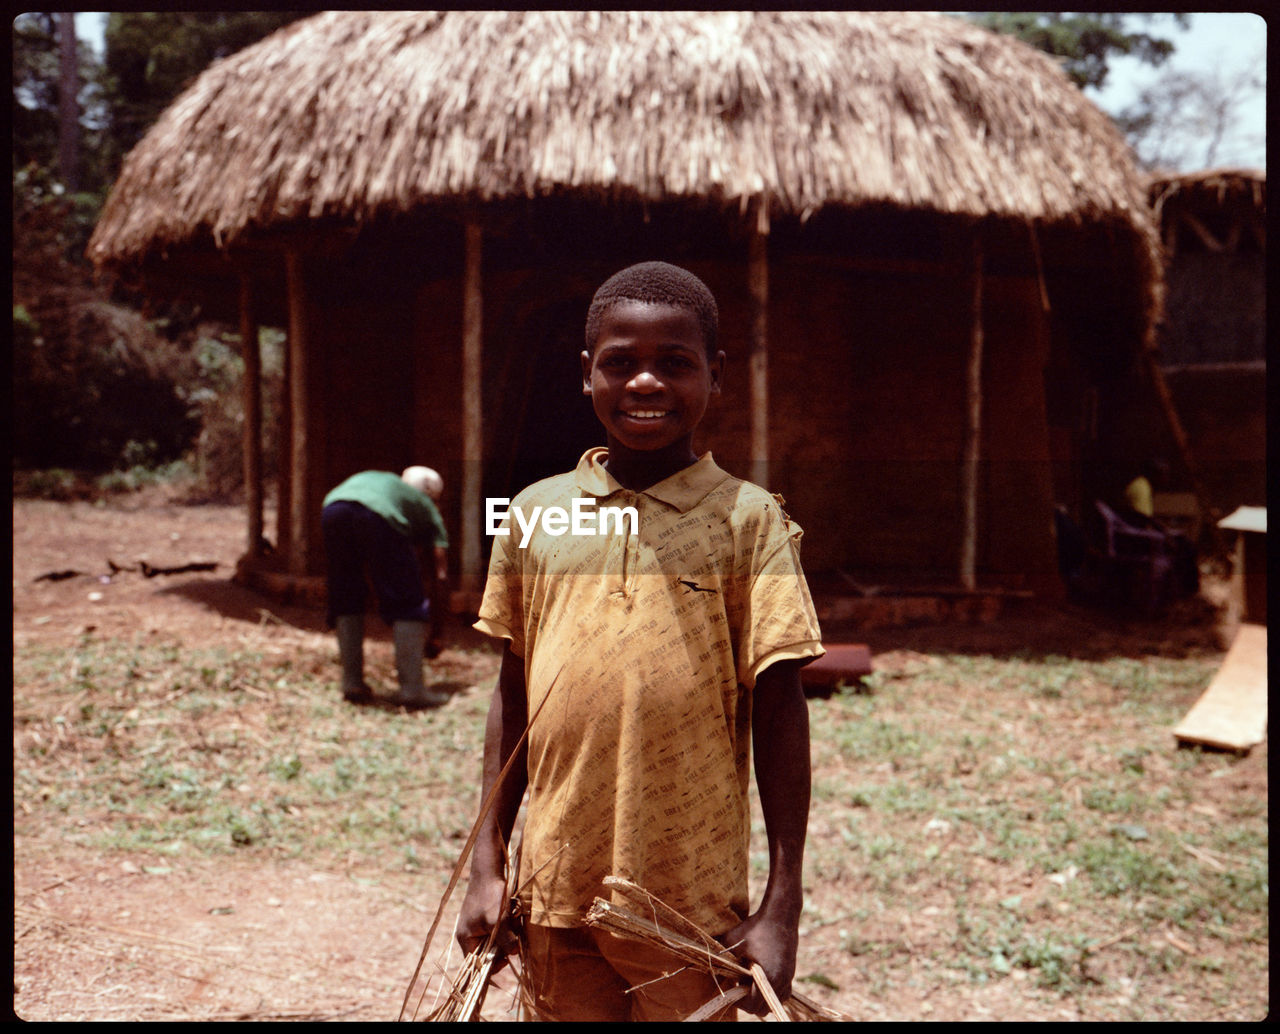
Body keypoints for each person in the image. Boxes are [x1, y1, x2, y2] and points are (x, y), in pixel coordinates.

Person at [456, 261, 825, 1020]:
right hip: (556, 891)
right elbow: (513, 693)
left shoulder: (747, 521)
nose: (646, 383)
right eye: (619, 363)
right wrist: (485, 866)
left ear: (715, 377)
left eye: (675, 364)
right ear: (585, 375)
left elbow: (782, 711)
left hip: (688, 905)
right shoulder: (537, 514)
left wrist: (780, 906)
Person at [320, 465, 450, 707]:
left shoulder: (389, 487)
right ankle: (412, 689)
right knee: (407, 601)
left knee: (346, 594)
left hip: (333, 507)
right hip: (377, 517)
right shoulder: (425, 507)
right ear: (431, 495)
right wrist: (437, 632)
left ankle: (351, 683)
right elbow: (440, 575)